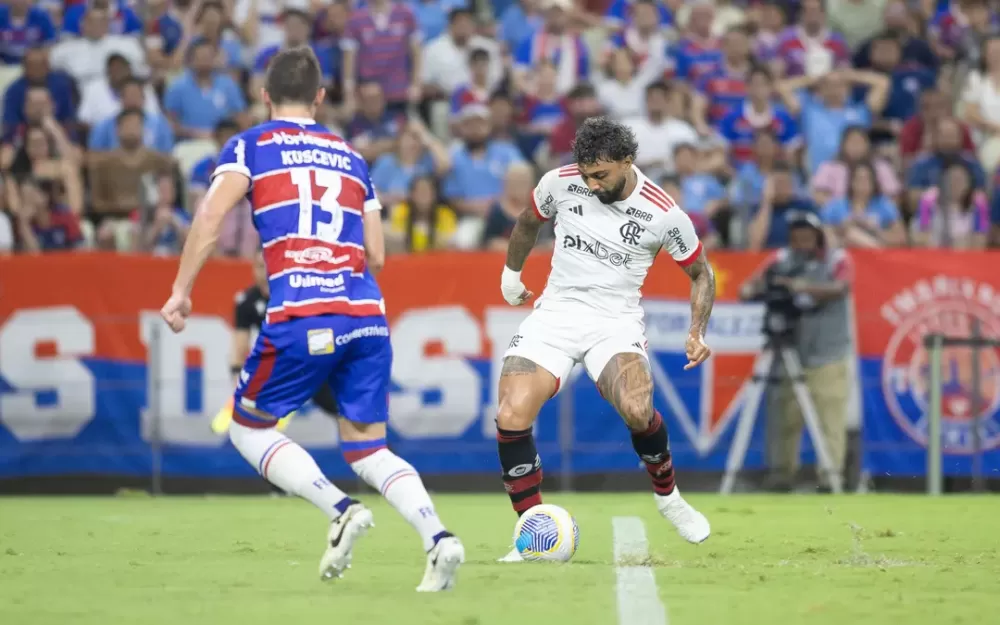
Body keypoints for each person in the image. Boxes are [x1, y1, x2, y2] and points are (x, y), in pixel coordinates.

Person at [158, 47, 463, 591]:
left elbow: (210, 215)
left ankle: (340, 509)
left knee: (248, 427)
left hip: (303, 310)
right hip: (366, 314)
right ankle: (438, 538)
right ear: (321, 97)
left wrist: (181, 291)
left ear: (264, 95)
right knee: (369, 447)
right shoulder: (352, 156)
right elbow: (377, 255)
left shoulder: (250, 146)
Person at [495, 117, 714, 562]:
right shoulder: (560, 182)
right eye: (587, 175)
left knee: (636, 408)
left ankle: (669, 498)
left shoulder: (664, 212)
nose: (592, 185)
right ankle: (532, 530)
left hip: (614, 322)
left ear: (627, 161)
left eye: (601, 175)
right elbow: (527, 222)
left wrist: (697, 332)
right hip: (555, 315)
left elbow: (701, 273)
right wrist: (510, 276)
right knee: (510, 413)